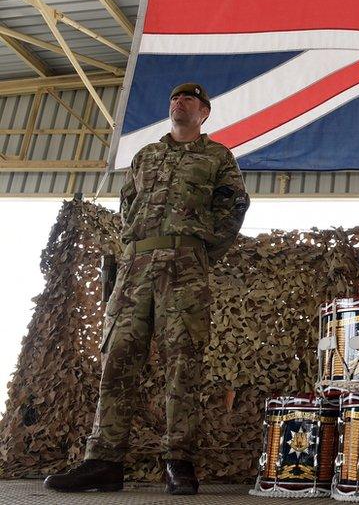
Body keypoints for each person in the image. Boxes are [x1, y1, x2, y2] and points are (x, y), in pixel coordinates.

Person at [44, 83, 250, 495]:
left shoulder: (216, 158)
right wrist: (135, 244)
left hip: (184, 267)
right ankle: (103, 461)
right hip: (135, 268)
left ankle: (179, 462)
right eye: (174, 98)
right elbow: (128, 204)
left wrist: (202, 253)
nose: (179, 103)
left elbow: (234, 206)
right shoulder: (146, 156)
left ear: (204, 113)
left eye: (189, 100)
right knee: (118, 357)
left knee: (182, 361)